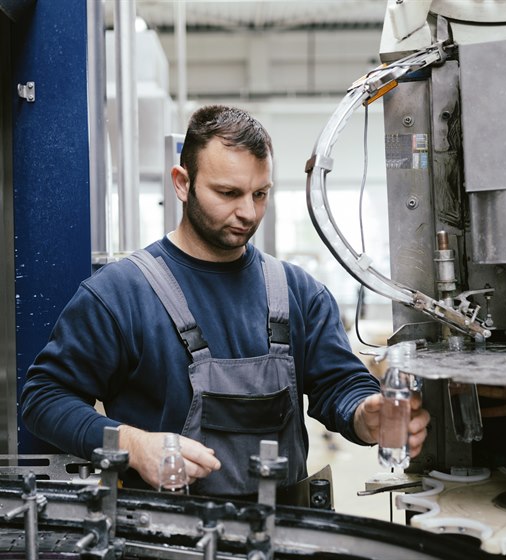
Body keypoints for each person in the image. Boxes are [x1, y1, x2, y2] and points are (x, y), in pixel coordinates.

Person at [21, 105, 430, 498]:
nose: (248, 213)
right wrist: (131, 444)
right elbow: (43, 398)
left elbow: (340, 384)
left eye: (260, 194)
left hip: (284, 534)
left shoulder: (298, 292)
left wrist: (364, 414)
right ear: (182, 183)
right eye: (228, 193)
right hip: (161, 538)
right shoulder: (119, 294)